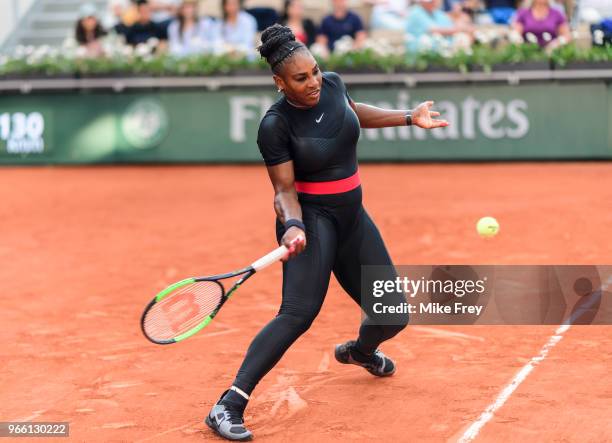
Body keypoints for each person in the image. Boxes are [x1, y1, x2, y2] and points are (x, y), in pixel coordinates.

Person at [205, 24, 449, 442]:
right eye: (301, 78)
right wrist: (293, 225)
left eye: (315, 72)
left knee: (393, 313)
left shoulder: (332, 85)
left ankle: (360, 352)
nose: (314, 82)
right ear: (279, 82)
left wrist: (408, 117)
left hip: (352, 216)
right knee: (298, 314)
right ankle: (227, 404)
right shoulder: (275, 125)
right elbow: (284, 191)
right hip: (312, 221)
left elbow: (352, 114)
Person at [405, 0, 474, 52]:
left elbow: (450, 24)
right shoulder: (416, 12)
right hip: (421, 51)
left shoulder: (436, 12)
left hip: (440, 49)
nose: (434, 2)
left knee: (463, 37)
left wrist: (462, 22)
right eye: (430, 1)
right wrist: (461, 29)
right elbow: (434, 30)